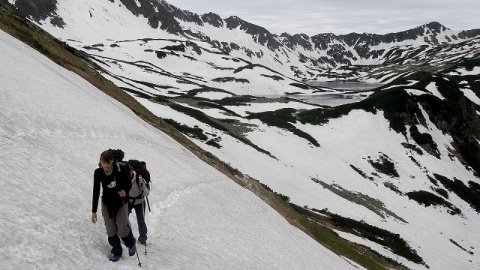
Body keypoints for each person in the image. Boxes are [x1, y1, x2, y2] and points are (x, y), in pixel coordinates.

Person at [91, 150, 137, 262]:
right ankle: (117, 251)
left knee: (122, 230)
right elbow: (96, 191)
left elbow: (128, 183)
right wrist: (94, 211)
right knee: (111, 230)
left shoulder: (119, 170)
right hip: (107, 203)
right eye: (103, 163)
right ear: (100, 162)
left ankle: (131, 243)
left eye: (108, 162)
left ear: (112, 161)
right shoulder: (98, 172)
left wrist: (125, 191)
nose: (106, 165)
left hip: (120, 202)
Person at [128, 164, 150, 245]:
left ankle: (143, 238)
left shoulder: (139, 179)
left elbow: (147, 193)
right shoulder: (123, 178)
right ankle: (128, 237)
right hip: (128, 202)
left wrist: (144, 190)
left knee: (140, 220)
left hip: (140, 201)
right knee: (124, 220)